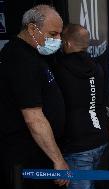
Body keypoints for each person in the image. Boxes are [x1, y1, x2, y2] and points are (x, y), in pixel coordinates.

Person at [0, 5, 69, 189]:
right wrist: (58, 160)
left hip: (40, 153)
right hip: (28, 159)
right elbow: (34, 118)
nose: (58, 40)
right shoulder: (20, 59)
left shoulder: (34, 53)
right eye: (53, 34)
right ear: (32, 29)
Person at [52, 24, 109, 189]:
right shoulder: (97, 67)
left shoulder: (58, 69)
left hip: (77, 146)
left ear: (67, 44)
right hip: (100, 140)